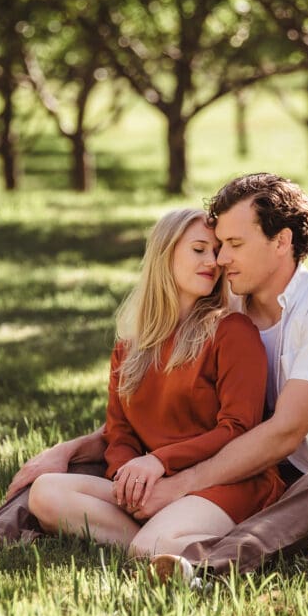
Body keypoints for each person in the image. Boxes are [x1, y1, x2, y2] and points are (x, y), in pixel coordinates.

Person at [0, 172, 308, 577]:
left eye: (233, 244)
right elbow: (138, 419)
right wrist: (67, 450)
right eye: (214, 245)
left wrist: (172, 482)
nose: (220, 258)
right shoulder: (222, 306)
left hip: (297, 478)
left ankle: (203, 562)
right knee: (81, 466)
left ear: (281, 242)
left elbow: (281, 434)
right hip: (208, 460)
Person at [26, 208, 285, 557]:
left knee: (152, 544)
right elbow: (120, 434)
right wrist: (128, 482)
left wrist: (159, 462)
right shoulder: (128, 348)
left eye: (217, 251)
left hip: (226, 484)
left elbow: (239, 427)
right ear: (165, 253)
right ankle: (160, 543)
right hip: (156, 488)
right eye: (199, 249)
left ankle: (167, 546)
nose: (213, 261)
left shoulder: (232, 332)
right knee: (46, 493)